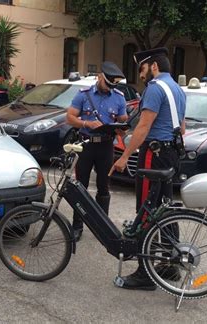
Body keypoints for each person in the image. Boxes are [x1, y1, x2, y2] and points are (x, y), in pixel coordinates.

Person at [108, 47, 186, 290]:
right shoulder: (177, 89)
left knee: (146, 210)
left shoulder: (154, 88)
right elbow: (181, 128)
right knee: (165, 208)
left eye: (141, 68)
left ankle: (145, 273)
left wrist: (124, 157)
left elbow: (143, 127)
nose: (140, 74)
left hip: (154, 155)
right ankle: (170, 265)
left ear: (153, 66)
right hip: (171, 153)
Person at [66, 61, 128, 241]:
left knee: (104, 187)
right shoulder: (84, 95)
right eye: (107, 83)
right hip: (86, 145)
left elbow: (123, 121)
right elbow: (70, 117)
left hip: (106, 146)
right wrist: (86, 123)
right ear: (100, 77)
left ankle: (103, 227)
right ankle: (77, 226)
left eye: (112, 85)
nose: (109, 88)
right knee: (81, 187)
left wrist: (122, 123)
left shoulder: (118, 97)